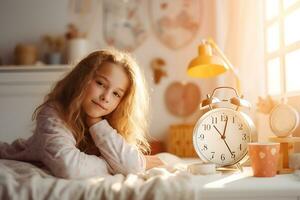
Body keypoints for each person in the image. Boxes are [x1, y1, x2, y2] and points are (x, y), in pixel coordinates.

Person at [0, 49, 164, 179]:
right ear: (81, 79)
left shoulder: (108, 122)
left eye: (116, 94)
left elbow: (131, 166)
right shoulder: (53, 112)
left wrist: (96, 123)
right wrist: (111, 164)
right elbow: (68, 167)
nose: (106, 97)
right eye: (100, 83)